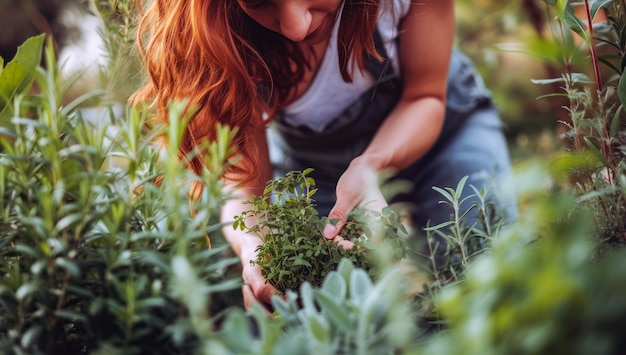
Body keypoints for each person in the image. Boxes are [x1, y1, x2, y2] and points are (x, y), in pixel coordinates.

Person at [132, 0, 515, 309]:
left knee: (489, 270)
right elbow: (247, 189)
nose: (295, 26)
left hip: (446, 126)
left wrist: (371, 163)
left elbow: (425, 96)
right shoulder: (227, 37)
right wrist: (254, 247)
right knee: (310, 302)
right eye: (258, 1)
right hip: (318, 170)